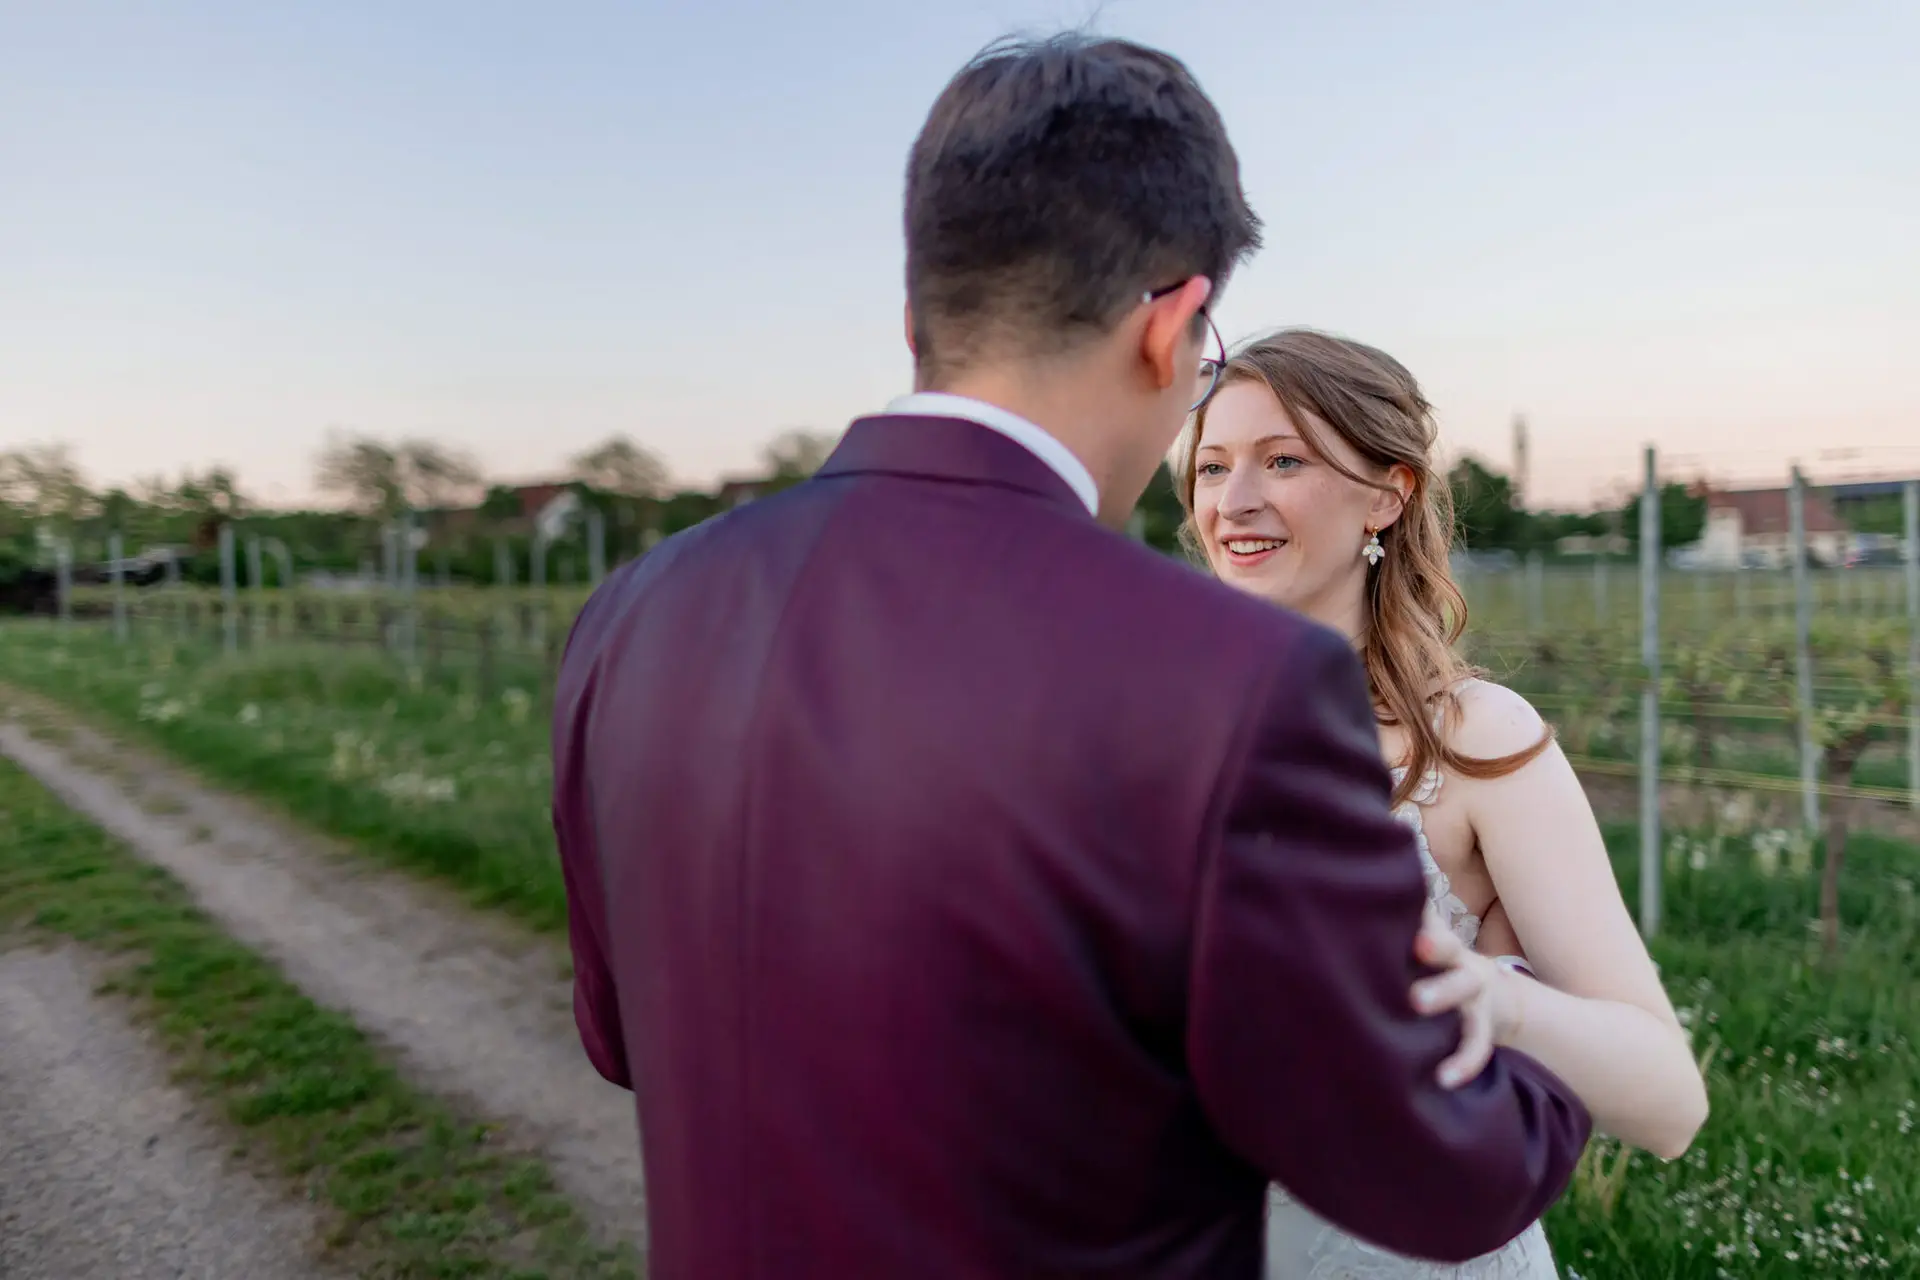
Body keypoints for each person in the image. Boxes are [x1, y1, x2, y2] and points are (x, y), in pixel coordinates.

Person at [551, 34, 1592, 1280]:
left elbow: (623, 1037)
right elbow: (1435, 1174)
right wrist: (1522, 1012)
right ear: (1173, 327)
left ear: (916, 318)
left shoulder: (636, 613)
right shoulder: (1229, 679)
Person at [1171, 327, 1709, 1278]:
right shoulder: (1147, 725)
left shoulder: (1475, 740)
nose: (1234, 502)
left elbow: (1670, 1104)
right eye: (1212, 468)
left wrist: (1495, 1006)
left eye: (1282, 460)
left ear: (1388, 492)